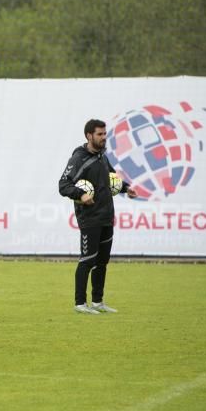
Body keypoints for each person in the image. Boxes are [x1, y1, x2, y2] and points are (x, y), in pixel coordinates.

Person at [58, 118, 137, 315]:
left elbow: (111, 178)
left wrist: (126, 189)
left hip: (106, 216)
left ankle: (98, 302)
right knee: (87, 260)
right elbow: (63, 185)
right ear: (89, 136)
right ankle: (79, 303)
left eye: (105, 134)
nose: (104, 138)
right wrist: (81, 194)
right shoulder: (78, 158)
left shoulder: (102, 156)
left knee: (102, 261)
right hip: (90, 218)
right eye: (100, 134)